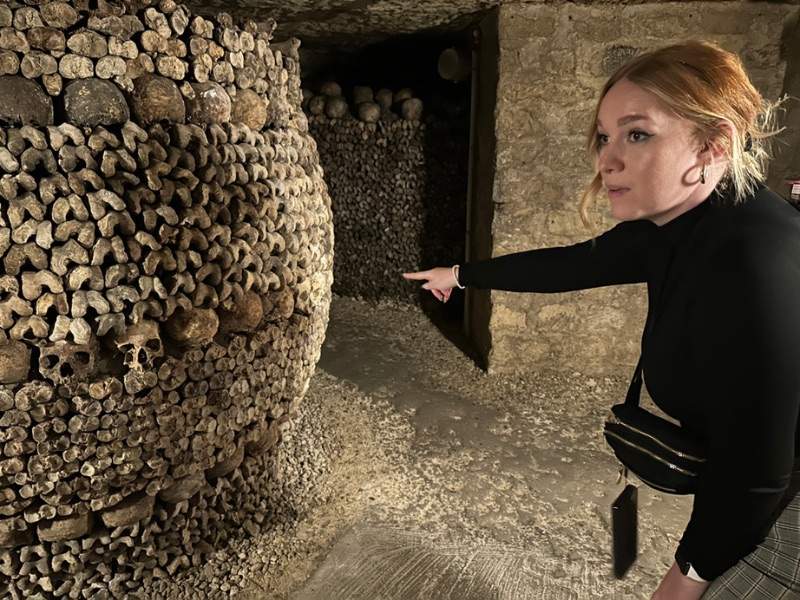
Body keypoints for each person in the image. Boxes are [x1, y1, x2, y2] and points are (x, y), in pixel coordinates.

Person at [402, 40, 800, 599]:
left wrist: (688, 576)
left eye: (638, 134)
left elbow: (756, 471)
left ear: (713, 146)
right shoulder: (681, 223)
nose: (606, 160)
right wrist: (461, 275)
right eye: (606, 136)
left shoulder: (756, 261)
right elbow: (574, 264)